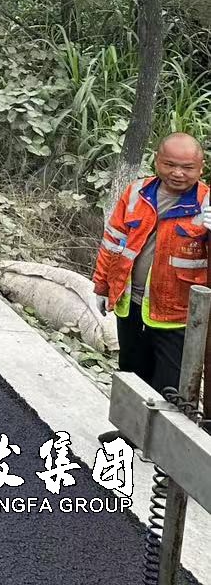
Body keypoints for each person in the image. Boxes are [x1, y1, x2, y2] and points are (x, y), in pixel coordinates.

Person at [93, 133, 211, 394]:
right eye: (170, 164)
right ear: (157, 161)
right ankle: (129, 423)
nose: (178, 173)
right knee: (131, 379)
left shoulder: (206, 204)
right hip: (131, 307)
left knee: (170, 391)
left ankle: (162, 423)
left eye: (187, 167)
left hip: (178, 318)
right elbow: (112, 242)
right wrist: (102, 286)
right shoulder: (137, 193)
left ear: (201, 168)